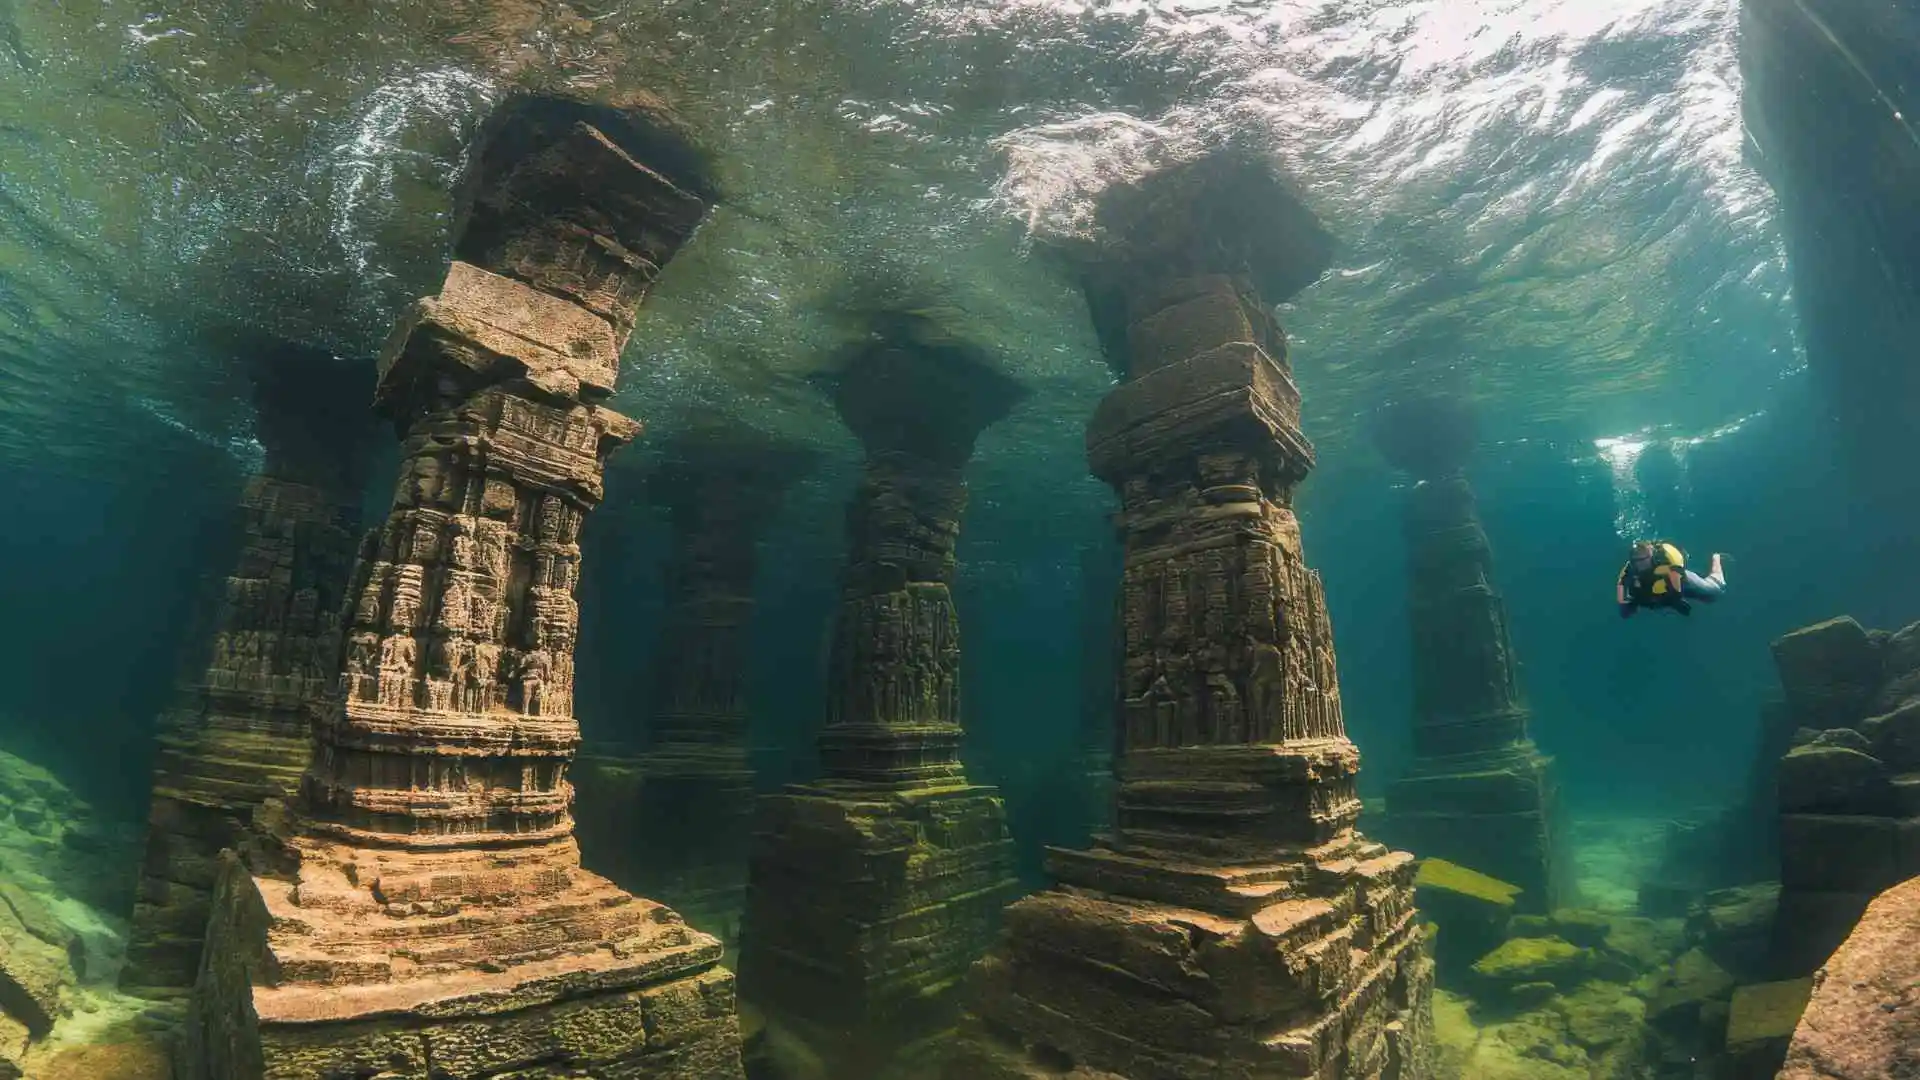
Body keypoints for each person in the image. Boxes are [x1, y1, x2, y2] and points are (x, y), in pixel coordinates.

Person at [1617, 540, 1726, 618]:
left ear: (1651, 554)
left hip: (1680, 583)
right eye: (1636, 561)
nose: (1640, 565)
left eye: (1643, 560)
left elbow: (1676, 583)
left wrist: (1676, 600)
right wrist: (1623, 603)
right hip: (1655, 592)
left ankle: (1716, 558)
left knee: (1715, 591)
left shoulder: (1665, 557)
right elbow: (1621, 583)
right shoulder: (1630, 568)